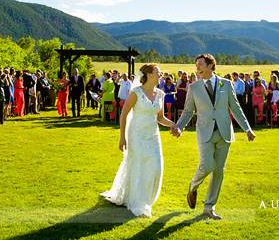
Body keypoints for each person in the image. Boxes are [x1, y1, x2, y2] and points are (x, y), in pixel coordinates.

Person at [174, 54, 255, 220]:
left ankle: (209, 208)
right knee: (206, 166)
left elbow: (235, 107)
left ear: (211, 65)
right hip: (204, 132)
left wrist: (247, 128)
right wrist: (180, 127)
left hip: (224, 132)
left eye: (200, 64)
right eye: (196, 65)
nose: (197, 68)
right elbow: (188, 111)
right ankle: (193, 186)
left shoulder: (225, 84)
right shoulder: (194, 87)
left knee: (218, 171)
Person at [101, 63, 179, 218]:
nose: (161, 74)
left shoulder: (160, 94)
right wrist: (122, 137)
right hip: (136, 135)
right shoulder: (136, 92)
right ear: (149, 75)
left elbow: (160, 117)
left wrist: (173, 124)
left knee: (156, 167)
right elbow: (123, 115)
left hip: (153, 136)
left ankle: (147, 199)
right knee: (139, 167)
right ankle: (140, 203)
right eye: (158, 72)